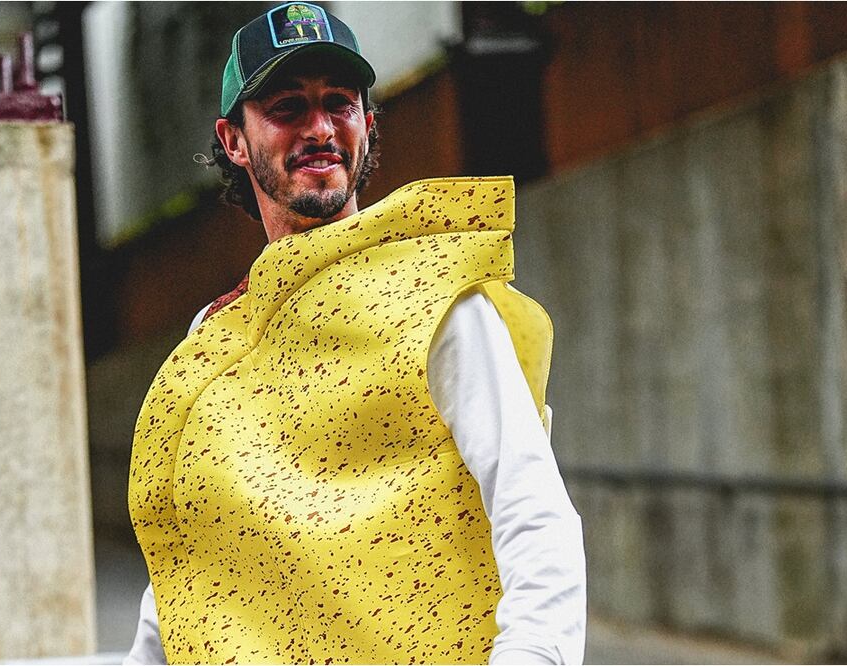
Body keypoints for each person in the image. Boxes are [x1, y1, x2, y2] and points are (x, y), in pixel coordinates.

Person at [126, 3, 585, 664]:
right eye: (286, 107)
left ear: (366, 125)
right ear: (232, 140)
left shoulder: (437, 301)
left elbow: (533, 514)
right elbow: (186, 568)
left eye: (338, 105)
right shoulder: (214, 337)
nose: (319, 129)